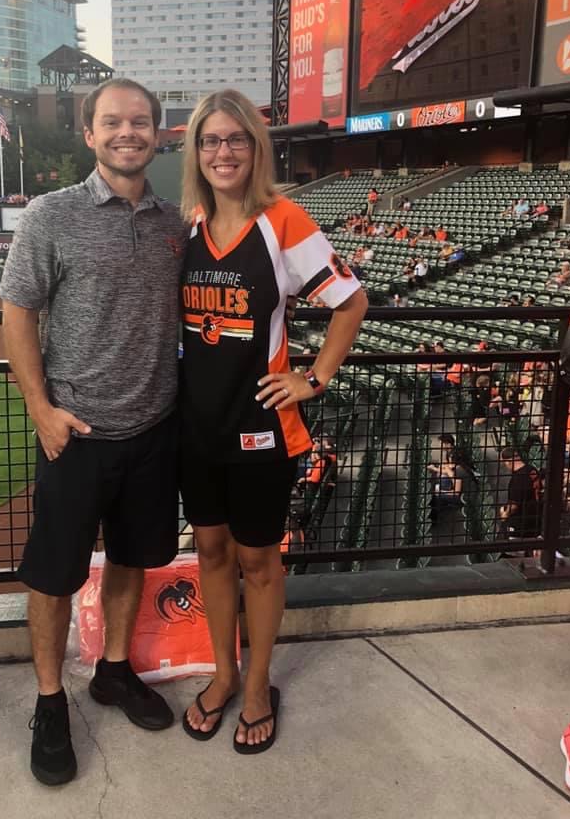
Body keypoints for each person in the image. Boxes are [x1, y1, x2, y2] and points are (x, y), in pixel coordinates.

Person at [0, 79, 187, 786]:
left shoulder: (176, 222)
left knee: (132, 561)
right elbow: (17, 313)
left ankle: (112, 671)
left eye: (139, 122)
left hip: (153, 430)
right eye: (112, 122)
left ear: (157, 133)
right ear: (90, 134)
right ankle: (51, 702)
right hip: (74, 435)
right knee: (54, 578)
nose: (126, 132)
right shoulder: (51, 215)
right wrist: (40, 410)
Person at [178, 89, 367, 753]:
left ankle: (258, 684)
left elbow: (350, 302)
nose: (223, 151)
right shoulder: (189, 224)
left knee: (258, 558)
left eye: (236, 138)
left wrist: (313, 379)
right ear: (196, 152)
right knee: (209, 551)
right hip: (196, 428)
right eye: (211, 140)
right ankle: (223, 672)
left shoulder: (283, 220)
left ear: (255, 148)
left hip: (261, 426)